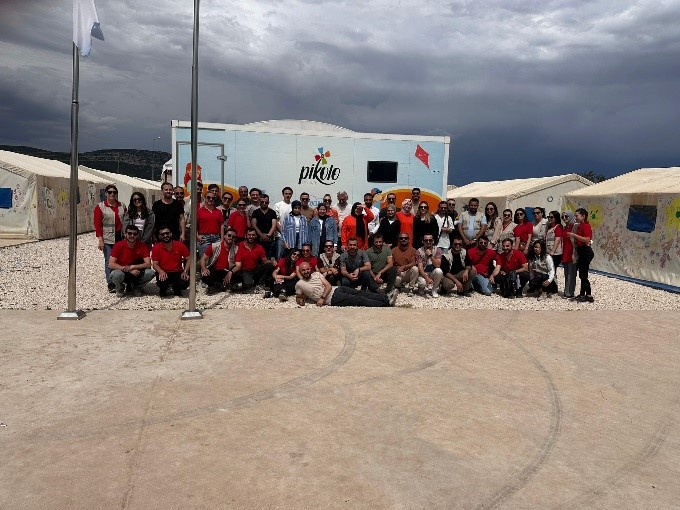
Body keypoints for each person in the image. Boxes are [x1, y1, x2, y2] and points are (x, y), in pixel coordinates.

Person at [295, 262, 398, 308]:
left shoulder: (316, 274)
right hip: (332, 299)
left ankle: (386, 297)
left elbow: (328, 286)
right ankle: (386, 304)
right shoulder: (299, 284)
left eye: (307, 269)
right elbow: (299, 297)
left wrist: (321, 298)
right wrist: (300, 301)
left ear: (310, 269)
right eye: (303, 270)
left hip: (336, 289)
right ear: (300, 271)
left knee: (360, 293)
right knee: (359, 300)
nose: (306, 271)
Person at [94, 184, 127, 292]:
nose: (112, 194)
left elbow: (126, 220)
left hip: (120, 237)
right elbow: (97, 224)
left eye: (114, 192)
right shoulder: (100, 207)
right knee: (109, 260)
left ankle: (120, 280)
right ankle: (111, 283)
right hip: (108, 238)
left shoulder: (122, 205)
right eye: (110, 192)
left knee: (121, 260)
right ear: (106, 193)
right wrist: (100, 239)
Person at [108, 225, 155, 297]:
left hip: (136, 272)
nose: (132, 236)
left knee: (150, 273)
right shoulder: (118, 245)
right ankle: (120, 288)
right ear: (125, 234)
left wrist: (133, 267)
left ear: (137, 235)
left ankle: (137, 287)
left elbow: (148, 264)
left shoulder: (142, 246)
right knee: (115, 274)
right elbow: (111, 264)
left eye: (134, 234)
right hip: (122, 270)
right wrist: (127, 269)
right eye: (129, 233)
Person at [232, 227, 275, 292]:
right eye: (249, 235)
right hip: (243, 270)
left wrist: (272, 261)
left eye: (253, 235)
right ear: (245, 236)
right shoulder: (239, 246)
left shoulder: (259, 247)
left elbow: (265, 261)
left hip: (254, 270)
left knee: (270, 266)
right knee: (248, 286)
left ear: (256, 236)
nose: (251, 237)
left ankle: (260, 284)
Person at [151, 226, 191, 297]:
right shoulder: (156, 247)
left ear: (171, 234)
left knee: (184, 282)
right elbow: (155, 264)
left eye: (167, 233)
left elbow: (189, 259)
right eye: (162, 234)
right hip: (164, 271)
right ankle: (164, 289)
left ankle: (176, 288)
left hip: (177, 271)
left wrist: (185, 271)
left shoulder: (180, 245)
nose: (165, 235)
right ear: (159, 236)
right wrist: (160, 271)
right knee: (162, 281)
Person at [567, 208, 595, 302]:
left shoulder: (586, 226)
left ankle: (584, 294)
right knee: (583, 275)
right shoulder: (579, 225)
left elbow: (587, 239)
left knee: (583, 275)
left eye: (577, 216)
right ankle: (587, 294)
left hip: (585, 251)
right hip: (581, 251)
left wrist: (573, 235)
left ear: (583, 216)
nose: (576, 217)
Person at [200, 227, 239, 293]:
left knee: (238, 277)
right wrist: (204, 269)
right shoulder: (214, 246)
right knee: (206, 276)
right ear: (224, 236)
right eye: (229, 235)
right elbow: (203, 259)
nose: (231, 238)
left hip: (228, 271)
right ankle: (219, 286)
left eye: (233, 237)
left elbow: (238, 265)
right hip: (215, 270)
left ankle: (219, 286)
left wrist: (230, 272)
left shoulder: (236, 249)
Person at [196, 190, 223, 258]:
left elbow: (221, 225)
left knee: (216, 260)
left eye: (213, 198)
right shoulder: (199, 211)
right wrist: (197, 236)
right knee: (204, 260)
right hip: (204, 238)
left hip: (216, 238)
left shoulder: (218, 211)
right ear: (205, 198)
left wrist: (222, 239)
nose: (211, 199)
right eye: (208, 197)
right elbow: (194, 225)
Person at [251, 193, 278, 259]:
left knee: (268, 258)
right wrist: (261, 235)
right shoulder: (255, 212)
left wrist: (268, 235)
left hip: (269, 240)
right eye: (262, 202)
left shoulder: (272, 212)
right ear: (259, 202)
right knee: (257, 258)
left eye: (266, 202)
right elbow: (254, 225)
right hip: (258, 239)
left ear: (268, 202)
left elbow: (274, 225)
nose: (264, 203)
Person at [561, 210, 578, 299]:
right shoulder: (565, 227)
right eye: (563, 217)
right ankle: (566, 291)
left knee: (571, 273)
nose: (564, 218)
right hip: (565, 253)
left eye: (566, 216)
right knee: (567, 273)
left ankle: (570, 292)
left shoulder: (574, 226)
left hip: (572, 252)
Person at [273, 186, 294, 259]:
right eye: (286, 194)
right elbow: (275, 221)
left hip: (291, 236)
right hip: (280, 235)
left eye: (289, 194)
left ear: (291, 195)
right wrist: (282, 232)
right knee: (279, 256)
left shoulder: (293, 205)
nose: (288, 195)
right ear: (283, 194)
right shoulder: (278, 205)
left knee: (290, 256)